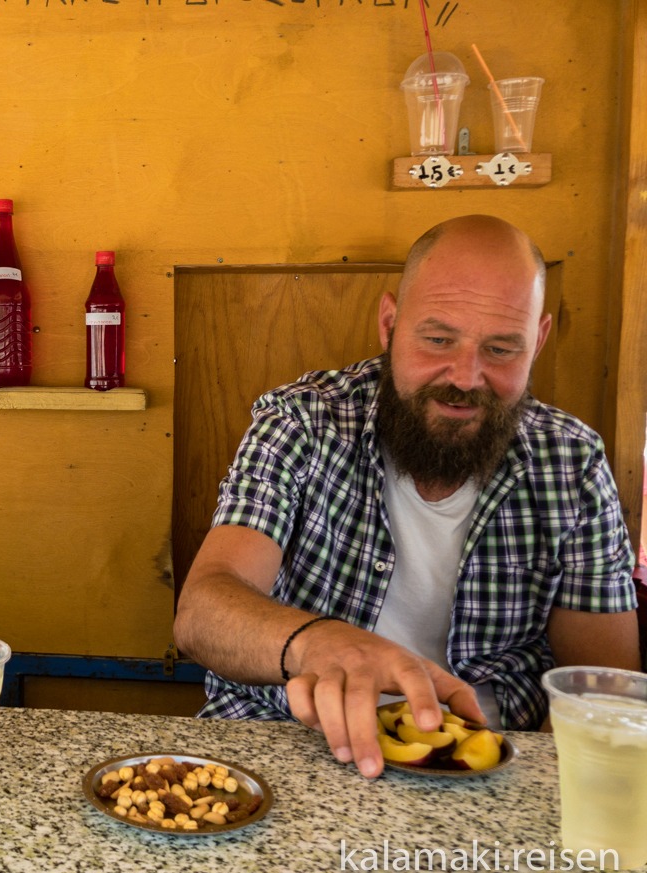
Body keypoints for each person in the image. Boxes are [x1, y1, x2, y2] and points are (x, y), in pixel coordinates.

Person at [173, 214, 641, 779]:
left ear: (537, 341)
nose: (466, 376)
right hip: (290, 751)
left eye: (501, 349)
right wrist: (316, 643)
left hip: (490, 768)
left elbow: (603, 684)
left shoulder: (572, 460)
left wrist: (533, 797)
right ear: (390, 323)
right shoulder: (304, 421)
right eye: (438, 339)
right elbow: (202, 611)